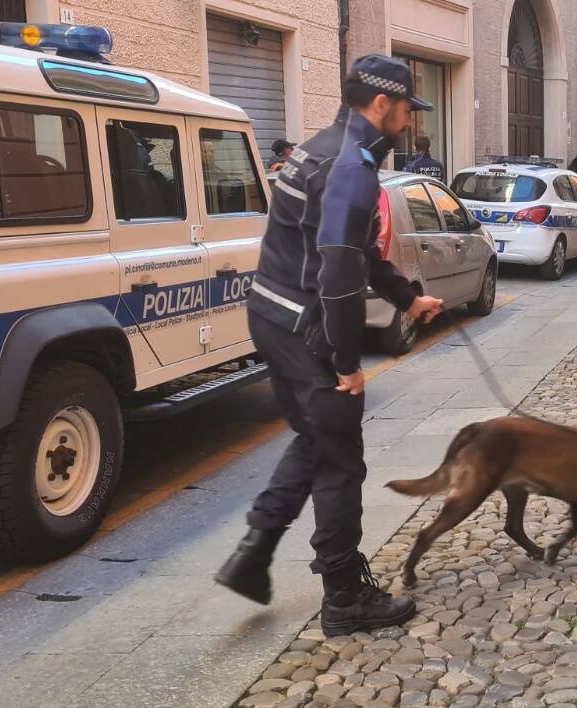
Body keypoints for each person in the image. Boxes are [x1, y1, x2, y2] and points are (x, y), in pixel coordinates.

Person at [215, 55, 444, 638]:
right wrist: (347, 366)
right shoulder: (352, 168)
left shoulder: (323, 145)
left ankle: (255, 550)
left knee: (317, 438)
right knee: (341, 457)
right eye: (404, 112)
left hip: (270, 313)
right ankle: (344, 596)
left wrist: (406, 298)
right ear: (381, 104)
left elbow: (351, 251)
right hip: (303, 331)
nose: (406, 124)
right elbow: (339, 275)